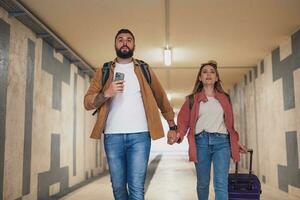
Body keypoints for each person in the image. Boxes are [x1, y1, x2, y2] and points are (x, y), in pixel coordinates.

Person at [84, 29, 176, 200]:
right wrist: (106, 93)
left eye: (128, 40)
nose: (124, 42)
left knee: (136, 188)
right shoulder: (103, 71)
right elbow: (87, 102)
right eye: (120, 39)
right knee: (118, 188)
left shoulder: (144, 69)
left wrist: (172, 125)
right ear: (115, 45)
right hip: (113, 137)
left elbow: (161, 97)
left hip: (140, 136)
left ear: (134, 45)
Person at [168, 60, 246, 200]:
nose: (208, 74)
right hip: (201, 143)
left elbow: (229, 125)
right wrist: (177, 134)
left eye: (212, 72)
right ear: (200, 78)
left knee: (220, 183)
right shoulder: (192, 99)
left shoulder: (224, 98)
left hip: (222, 143)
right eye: (204, 72)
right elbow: (183, 122)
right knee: (203, 183)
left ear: (217, 78)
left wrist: (234, 142)